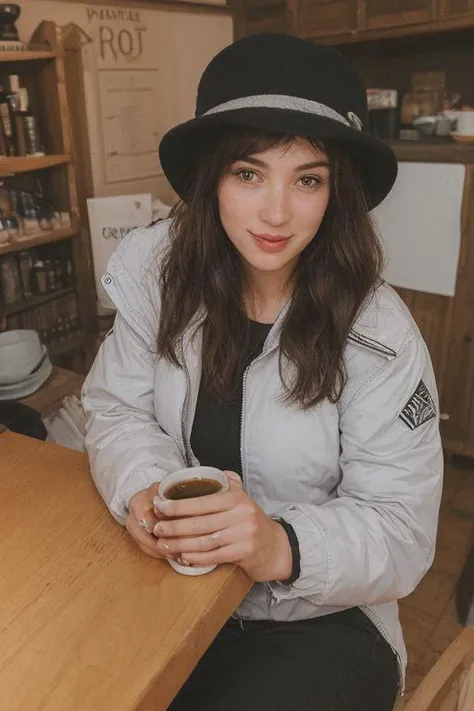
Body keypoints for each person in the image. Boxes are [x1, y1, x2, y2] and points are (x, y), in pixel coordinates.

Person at [82, 33, 443, 711]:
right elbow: (115, 409)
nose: (277, 212)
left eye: (307, 178)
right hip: (180, 585)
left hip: (321, 618)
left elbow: (402, 529)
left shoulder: (379, 335)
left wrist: (280, 543)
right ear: (211, 176)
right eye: (249, 173)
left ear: (335, 192)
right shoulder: (156, 276)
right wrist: (141, 488)